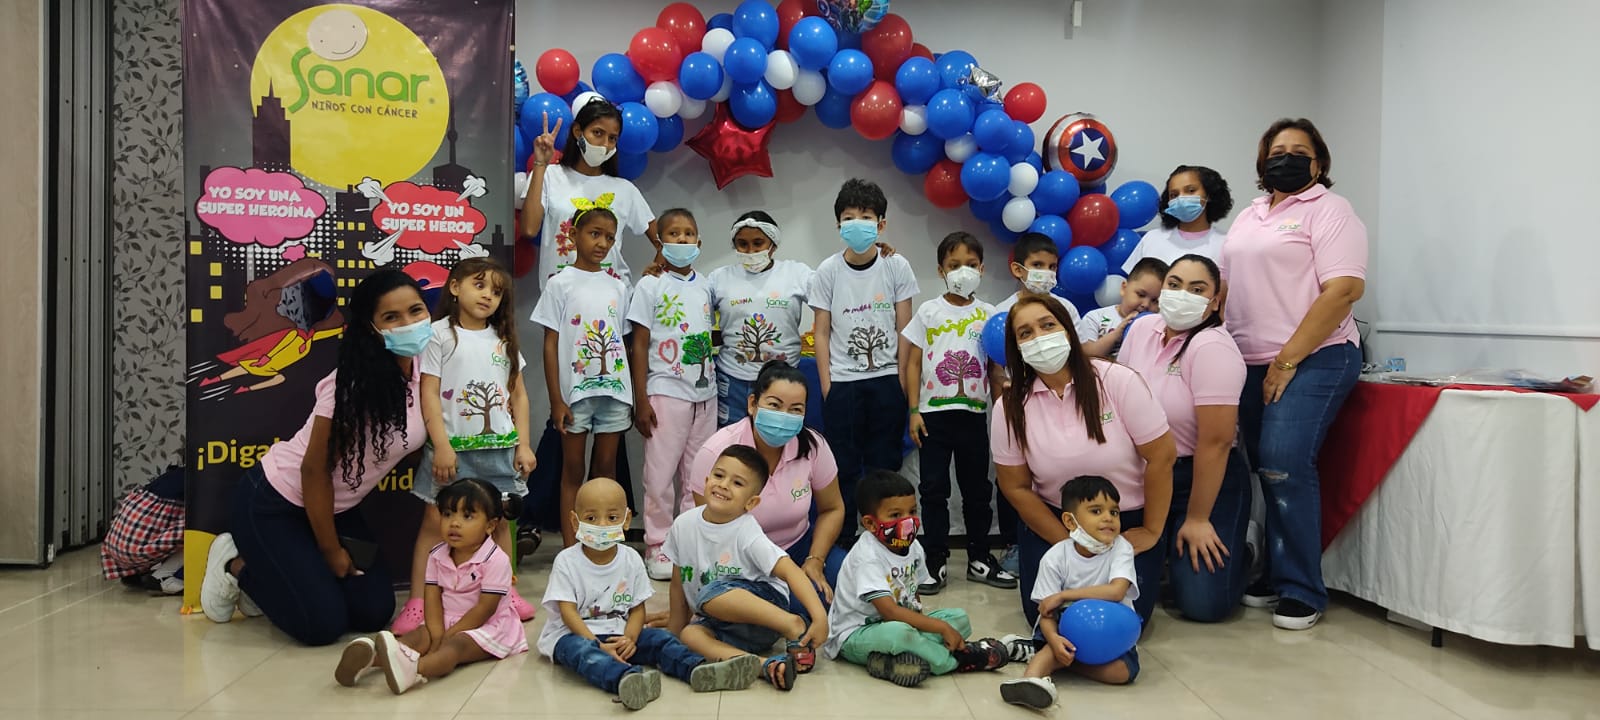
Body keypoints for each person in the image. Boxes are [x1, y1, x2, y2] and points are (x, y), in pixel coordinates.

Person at [198, 270, 430, 645]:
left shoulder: (427, 374)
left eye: (416, 311)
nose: (409, 324)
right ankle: (234, 563)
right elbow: (314, 469)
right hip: (278, 501)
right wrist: (330, 550)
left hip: (338, 509)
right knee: (321, 626)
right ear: (371, 327)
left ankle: (291, 576)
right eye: (392, 317)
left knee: (372, 612)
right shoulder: (351, 385)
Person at [1221, 118, 1367, 630]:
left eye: (1298, 150)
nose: (1286, 157)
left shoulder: (1331, 210)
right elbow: (1227, 287)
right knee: (1265, 467)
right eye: (1276, 150)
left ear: (1318, 163)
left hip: (1317, 355)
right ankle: (1276, 572)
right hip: (1249, 358)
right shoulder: (1251, 214)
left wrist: (1287, 360)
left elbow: (1344, 290)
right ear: (1263, 163)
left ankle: (1304, 587)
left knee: (1284, 462)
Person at [990, 294, 1176, 626]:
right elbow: (1015, 487)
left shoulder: (1117, 380)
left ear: (1068, 331)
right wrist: (1075, 548)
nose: (1040, 338)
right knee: (1048, 615)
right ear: (1016, 348)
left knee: (1118, 619)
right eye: (1026, 333)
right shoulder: (1010, 406)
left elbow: (1162, 456)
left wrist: (1151, 529)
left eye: (1048, 325)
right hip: (1057, 524)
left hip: (1123, 522)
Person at [394, 257, 537, 636]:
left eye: (496, 290)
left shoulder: (503, 340)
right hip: (453, 452)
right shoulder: (439, 335)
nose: (488, 295)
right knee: (434, 523)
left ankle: (503, 592)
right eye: (479, 285)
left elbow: (518, 396)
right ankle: (419, 601)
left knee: (502, 521)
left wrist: (523, 445)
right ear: (455, 287)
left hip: (500, 450)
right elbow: (428, 393)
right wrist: (441, 445)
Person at [541, 478, 761, 710]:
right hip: (574, 635)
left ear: (626, 520)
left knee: (661, 639)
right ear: (575, 521)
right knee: (584, 654)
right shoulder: (567, 561)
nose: (603, 525)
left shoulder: (631, 559)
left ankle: (698, 669)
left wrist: (631, 637)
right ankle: (627, 679)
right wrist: (595, 643)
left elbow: (637, 609)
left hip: (621, 631)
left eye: (612, 518)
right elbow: (568, 612)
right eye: (592, 518)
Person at [1117, 255, 1250, 622]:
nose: (1181, 295)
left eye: (1197, 289)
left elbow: (1217, 442)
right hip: (1145, 475)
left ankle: (1241, 554)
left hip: (1201, 477)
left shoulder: (1213, 349)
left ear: (1215, 301)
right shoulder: (1142, 330)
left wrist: (1197, 518)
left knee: (1203, 606)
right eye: (1174, 284)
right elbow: (1119, 392)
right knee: (1121, 585)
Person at [334, 479, 528, 694]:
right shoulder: (437, 554)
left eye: (467, 516)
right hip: (445, 618)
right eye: (447, 514)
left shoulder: (495, 560)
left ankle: (414, 669)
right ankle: (371, 659)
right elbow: (432, 598)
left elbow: (485, 609)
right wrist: (435, 633)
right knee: (418, 636)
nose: (454, 523)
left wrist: (448, 636)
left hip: (488, 626)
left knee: (455, 647)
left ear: (490, 526)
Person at [902, 231, 1015, 593]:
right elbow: (913, 364)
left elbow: (996, 368)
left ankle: (980, 557)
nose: (962, 272)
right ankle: (934, 561)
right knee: (933, 489)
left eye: (970, 265)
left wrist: (1001, 412)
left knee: (977, 490)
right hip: (933, 417)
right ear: (940, 270)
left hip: (973, 416)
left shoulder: (989, 315)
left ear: (982, 269)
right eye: (954, 265)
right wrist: (913, 410)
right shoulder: (929, 311)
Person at [665, 445, 830, 692]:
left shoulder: (746, 531)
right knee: (691, 636)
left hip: (767, 613)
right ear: (706, 480)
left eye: (737, 483)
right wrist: (673, 635)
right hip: (722, 623)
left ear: (752, 502)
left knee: (711, 592)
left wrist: (819, 617)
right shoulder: (683, 525)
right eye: (719, 476)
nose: (723, 485)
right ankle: (764, 665)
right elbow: (679, 585)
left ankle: (792, 624)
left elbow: (790, 571)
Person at [824, 470, 1009, 688]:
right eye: (895, 515)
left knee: (958, 618)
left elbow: (913, 592)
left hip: (898, 624)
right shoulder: (867, 557)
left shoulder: (913, 546)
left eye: (912, 511)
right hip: (856, 634)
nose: (907, 521)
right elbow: (890, 613)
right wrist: (939, 628)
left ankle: (890, 662)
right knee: (901, 633)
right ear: (871, 524)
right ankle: (955, 661)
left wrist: (929, 626)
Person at [809, 178, 919, 537]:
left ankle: (886, 539)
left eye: (866, 216)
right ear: (839, 224)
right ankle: (842, 541)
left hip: (887, 381)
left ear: (881, 224)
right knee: (843, 468)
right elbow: (821, 332)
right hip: (842, 385)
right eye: (849, 216)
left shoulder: (896, 265)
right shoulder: (827, 271)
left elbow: (906, 327)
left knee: (884, 468)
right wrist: (827, 385)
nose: (857, 222)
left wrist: (901, 379)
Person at [688, 361, 848, 601]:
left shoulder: (814, 446)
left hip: (798, 547)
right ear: (753, 404)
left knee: (853, 582)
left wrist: (815, 560)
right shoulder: (717, 451)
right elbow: (709, 529)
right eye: (774, 405)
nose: (783, 416)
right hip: (739, 559)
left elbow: (833, 508)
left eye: (795, 409)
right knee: (796, 606)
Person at [530, 205, 634, 547]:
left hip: (615, 393)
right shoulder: (560, 283)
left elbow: (621, 341)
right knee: (572, 470)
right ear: (573, 236)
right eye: (594, 234)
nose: (602, 243)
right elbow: (550, 344)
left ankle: (604, 542)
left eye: (609, 237)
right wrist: (557, 398)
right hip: (575, 396)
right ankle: (571, 547)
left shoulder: (618, 287)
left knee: (606, 470)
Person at [627, 208, 717, 580]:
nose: (682, 240)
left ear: (699, 241)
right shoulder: (649, 285)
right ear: (661, 242)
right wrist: (641, 399)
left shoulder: (707, 285)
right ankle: (658, 544)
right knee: (660, 475)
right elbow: (640, 343)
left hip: (705, 393)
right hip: (665, 391)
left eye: (689, 234)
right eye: (674, 234)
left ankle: (690, 541)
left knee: (699, 474)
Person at [999, 476, 1140, 709]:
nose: (1108, 518)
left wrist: (1064, 595)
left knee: (1124, 673)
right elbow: (1046, 612)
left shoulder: (1121, 548)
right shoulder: (1055, 557)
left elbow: (1117, 591)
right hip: (1064, 626)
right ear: (1070, 521)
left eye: (1114, 512)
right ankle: (1028, 681)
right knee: (1052, 646)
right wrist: (1053, 640)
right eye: (1096, 511)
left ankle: (1061, 661)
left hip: (1108, 631)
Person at [519, 95, 657, 289]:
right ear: (578, 131)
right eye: (598, 133)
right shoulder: (550, 176)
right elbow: (529, 229)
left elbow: (663, 241)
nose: (605, 144)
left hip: (612, 300)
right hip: (561, 297)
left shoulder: (625, 190)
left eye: (612, 138)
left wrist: (655, 274)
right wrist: (540, 163)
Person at [707, 211, 814, 427]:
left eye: (758, 243)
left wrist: (875, 255)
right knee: (733, 442)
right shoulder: (719, 278)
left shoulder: (797, 273)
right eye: (742, 244)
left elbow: (835, 291)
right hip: (732, 379)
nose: (750, 251)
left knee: (778, 438)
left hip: (783, 379)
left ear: (773, 244)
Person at [1121, 165, 1233, 272]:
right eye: (1174, 195)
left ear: (1209, 194)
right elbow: (1133, 285)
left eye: (1191, 190)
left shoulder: (1226, 245)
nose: (1181, 198)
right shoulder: (1151, 239)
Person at [1076, 257, 1168, 359]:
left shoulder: (1161, 327)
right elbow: (1086, 354)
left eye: (1155, 301)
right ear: (1124, 288)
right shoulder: (1095, 317)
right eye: (1141, 295)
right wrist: (1116, 334)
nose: (1146, 304)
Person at [994, 232, 1080, 325]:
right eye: (1037, 265)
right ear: (1018, 270)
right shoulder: (1002, 312)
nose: (1046, 272)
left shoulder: (1066, 308)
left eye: (1052, 267)